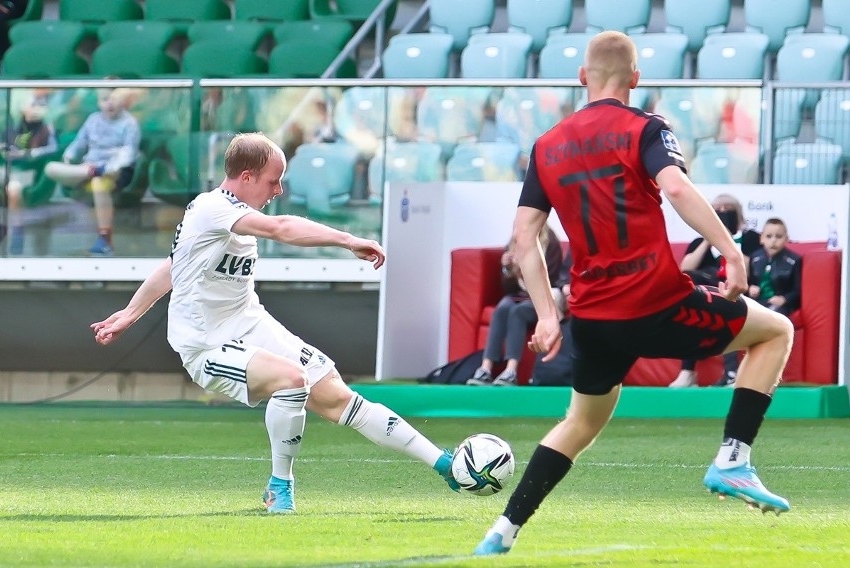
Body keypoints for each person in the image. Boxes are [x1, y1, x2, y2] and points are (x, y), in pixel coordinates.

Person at [474, 31, 794, 556]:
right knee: (776, 331)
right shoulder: (645, 127)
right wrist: (731, 252)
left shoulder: (546, 145)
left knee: (578, 423)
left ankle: (500, 534)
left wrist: (548, 316)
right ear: (636, 80)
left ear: (583, 78)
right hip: (655, 301)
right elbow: (675, 187)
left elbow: (522, 238)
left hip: (594, 317)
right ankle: (732, 461)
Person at [90, 132, 459, 514]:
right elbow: (280, 228)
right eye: (273, 179)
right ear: (246, 177)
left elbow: (173, 267)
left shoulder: (229, 215)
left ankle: (444, 464)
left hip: (250, 324)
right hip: (206, 343)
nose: (279, 189)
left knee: (340, 399)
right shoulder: (211, 208)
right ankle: (280, 486)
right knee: (291, 381)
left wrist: (129, 314)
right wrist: (348, 240)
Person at [669, 193, 761, 388]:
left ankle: (730, 373)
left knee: (724, 306)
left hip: (737, 289)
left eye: (729, 210)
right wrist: (709, 238)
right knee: (691, 305)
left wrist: (729, 242)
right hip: (706, 292)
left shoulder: (751, 238)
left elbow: (751, 267)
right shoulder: (699, 241)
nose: (723, 213)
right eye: (717, 211)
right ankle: (687, 372)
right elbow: (686, 268)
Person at [44, 87, 141, 256]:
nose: (109, 103)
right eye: (104, 99)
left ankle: (104, 239)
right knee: (50, 168)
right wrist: (69, 156)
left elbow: (129, 154)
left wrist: (111, 168)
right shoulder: (93, 119)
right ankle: (91, 171)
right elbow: (79, 143)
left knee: (98, 183)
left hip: (116, 170)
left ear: (123, 100)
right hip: (89, 167)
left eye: (113, 99)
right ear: (98, 102)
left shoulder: (130, 122)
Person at [466, 224, 563, 387]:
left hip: (541, 297)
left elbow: (551, 280)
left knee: (518, 312)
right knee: (502, 308)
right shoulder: (514, 241)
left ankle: (511, 371)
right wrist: (508, 268)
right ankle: (486, 368)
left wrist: (527, 267)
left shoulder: (550, 242)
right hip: (518, 295)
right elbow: (508, 288)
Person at [0, 90, 57, 255]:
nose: (37, 108)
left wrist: (30, 154)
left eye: (42, 104)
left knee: (14, 189)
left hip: (31, 173)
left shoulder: (46, 128)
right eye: (33, 104)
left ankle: (16, 233)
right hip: (7, 170)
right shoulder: (11, 129)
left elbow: (53, 149)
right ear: (22, 107)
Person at [747, 218, 802, 316]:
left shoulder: (794, 260)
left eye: (779, 236)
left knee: (770, 316)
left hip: (780, 305)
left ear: (786, 239)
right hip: (758, 302)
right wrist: (751, 288)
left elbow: (798, 290)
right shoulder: (755, 257)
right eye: (768, 236)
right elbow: (749, 282)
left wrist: (784, 299)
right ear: (761, 238)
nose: (773, 241)